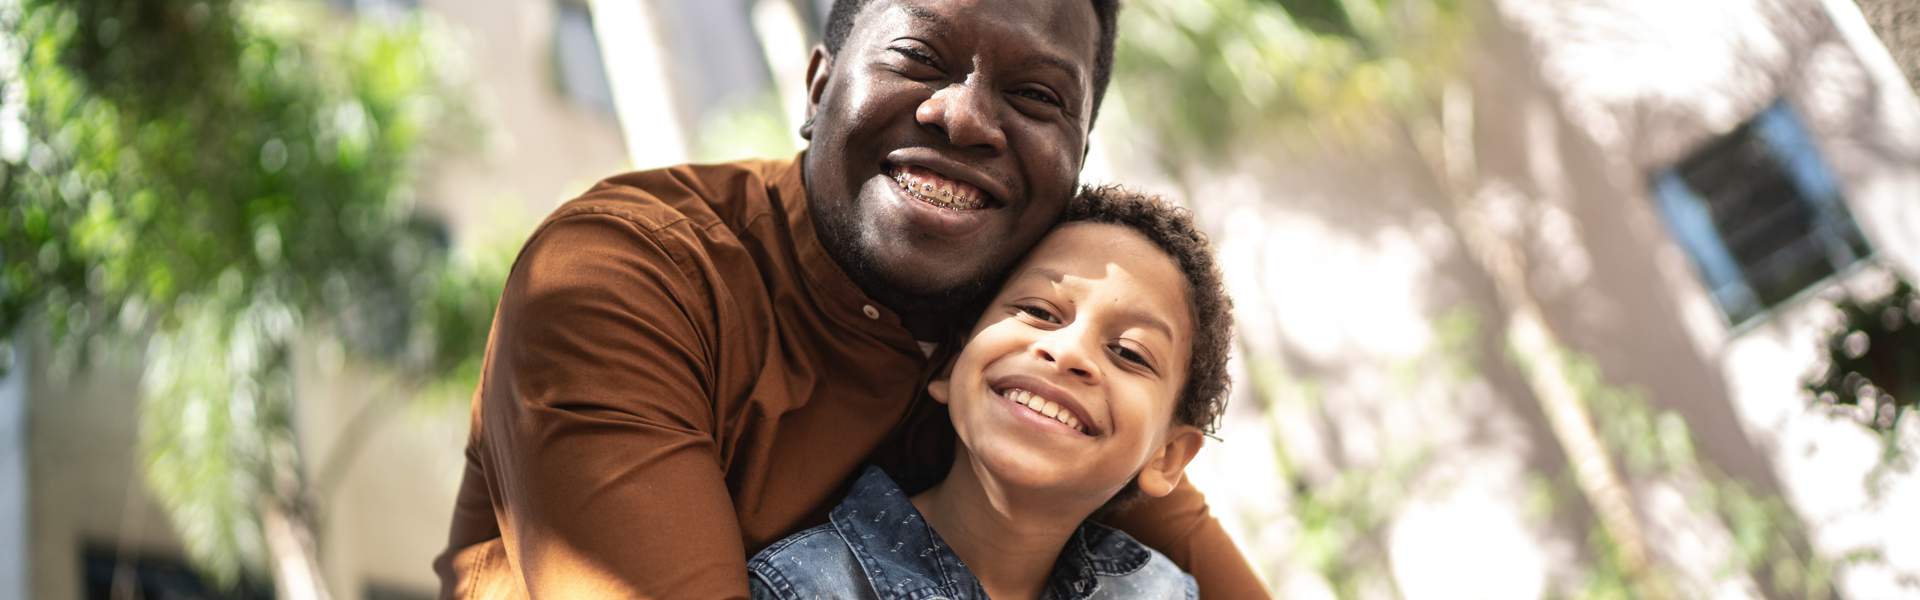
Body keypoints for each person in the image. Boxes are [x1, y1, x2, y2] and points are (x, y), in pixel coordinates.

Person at [432, 0, 1271, 597]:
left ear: (1075, 163)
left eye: (1035, 96)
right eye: (918, 58)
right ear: (818, 87)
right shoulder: (631, 274)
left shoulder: (1024, 349)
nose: (965, 117)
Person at [748, 186, 1232, 600]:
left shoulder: (1164, 592)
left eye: (1129, 352)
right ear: (954, 361)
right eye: (1039, 311)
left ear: (1168, 456)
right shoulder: (801, 587)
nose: (1067, 351)